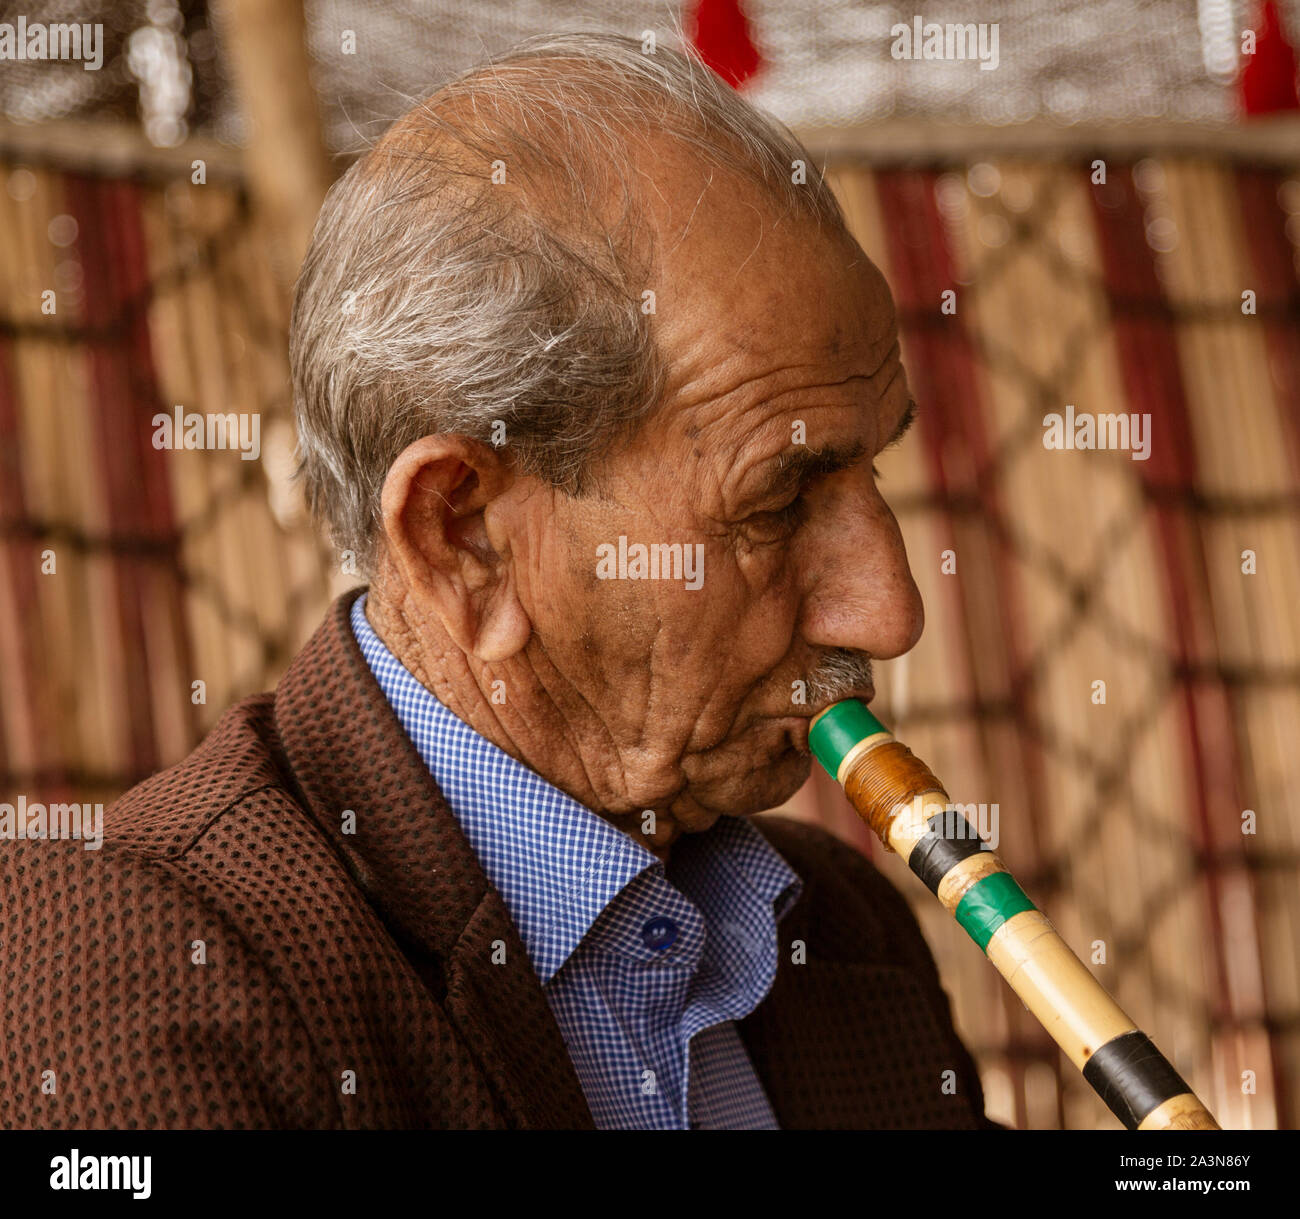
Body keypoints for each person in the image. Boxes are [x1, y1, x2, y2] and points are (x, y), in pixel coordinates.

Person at [1, 32, 993, 1130]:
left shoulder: (840, 925)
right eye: (776, 502)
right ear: (460, 536)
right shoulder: (130, 962)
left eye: (877, 466)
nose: (888, 612)